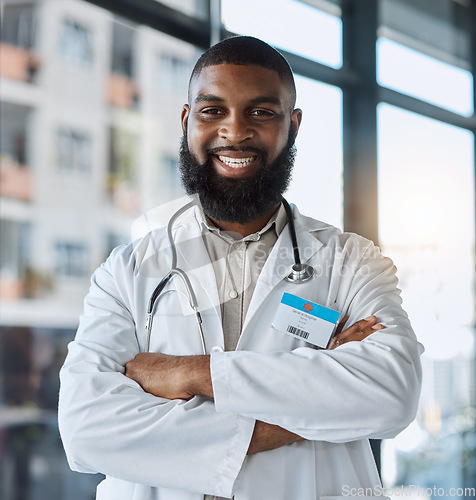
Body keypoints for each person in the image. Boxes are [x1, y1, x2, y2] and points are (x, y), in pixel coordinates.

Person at [59, 36, 423, 500]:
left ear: (292, 126)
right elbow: (87, 430)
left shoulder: (353, 261)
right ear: (188, 122)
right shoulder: (127, 271)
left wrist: (191, 373)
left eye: (261, 112)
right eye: (213, 111)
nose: (234, 131)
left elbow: (390, 394)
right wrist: (311, 406)